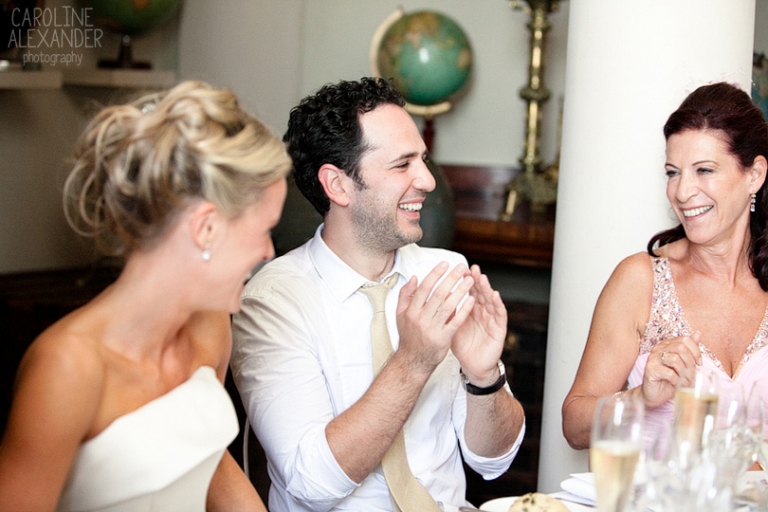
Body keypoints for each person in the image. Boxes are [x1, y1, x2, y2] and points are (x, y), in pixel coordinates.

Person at [230, 77, 525, 512]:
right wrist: (413, 361)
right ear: (338, 185)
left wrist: (484, 379)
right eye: (402, 165)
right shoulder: (272, 301)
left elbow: (494, 461)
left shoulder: (445, 272)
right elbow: (311, 484)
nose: (427, 180)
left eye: (423, 160)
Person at [0, 80, 291, 512]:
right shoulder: (68, 366)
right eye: (265, 230)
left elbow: (205, 459)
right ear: (206, 228)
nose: (269, 252)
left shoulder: (211, 325)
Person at [562, 82, 768, 451]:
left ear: (754, 174)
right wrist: (640, 398)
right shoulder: (640, 280)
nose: (682, 192)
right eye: (673, 172)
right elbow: (574, 427)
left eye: (704, 170)